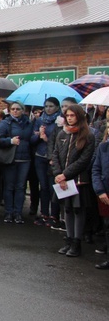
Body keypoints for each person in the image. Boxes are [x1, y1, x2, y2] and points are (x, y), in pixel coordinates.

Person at [51, 104, 96, 257]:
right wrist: (58, 174)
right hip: (62, 180)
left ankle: (77, 242)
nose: (69, 118)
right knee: (67, 210)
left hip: (78, 179)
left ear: (79, 117)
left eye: (72, 116)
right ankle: (68, 240)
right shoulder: (62, 134)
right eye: (67, 116)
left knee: (78, 210)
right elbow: (55, 154)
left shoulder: (87, 136)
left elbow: (84, 160)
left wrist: (65, 174)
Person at [0, 100, 32, 224]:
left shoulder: (28, 123)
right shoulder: (5, 123)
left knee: (21, 187)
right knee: (9, 186)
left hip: (25, 158)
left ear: (22, 110)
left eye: (18, 109)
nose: (15, 111)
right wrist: (10, 141)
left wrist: (39, 136)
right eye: (13, 109)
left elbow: (30, 139)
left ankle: (18, 213)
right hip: (10, 158)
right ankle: (8, 212)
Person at [31, 97, 62, 227]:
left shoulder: (59, 121)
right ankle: (44, 213)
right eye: (46, 106)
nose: (48, 109)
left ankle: (54, 215)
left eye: (51, 106)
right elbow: (31, 140)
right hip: (39, 157)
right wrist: (38, 135)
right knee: (43, 187)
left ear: (57, 107)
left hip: (53, 159)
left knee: (52, 187)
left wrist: (45, 138)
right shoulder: (39, 120)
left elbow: (59, 143)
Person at [92, 127, 109, 269]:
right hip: (105, 193)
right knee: (107, 225)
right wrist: (100, 191)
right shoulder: (103, 147)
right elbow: (96, 169)